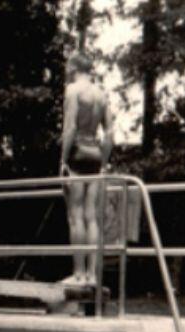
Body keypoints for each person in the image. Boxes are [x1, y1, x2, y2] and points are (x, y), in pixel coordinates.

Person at [60, 50, 114, 285]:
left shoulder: (72, 90)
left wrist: (63, 159)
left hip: (77, 154)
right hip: (94, 155)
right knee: (92, 217)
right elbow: (110, 132)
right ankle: (93, 274)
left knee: (75, 217)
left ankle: (79, 273)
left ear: (73, 68)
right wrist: (103, 161)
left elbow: (70, 128)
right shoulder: (101, 94)